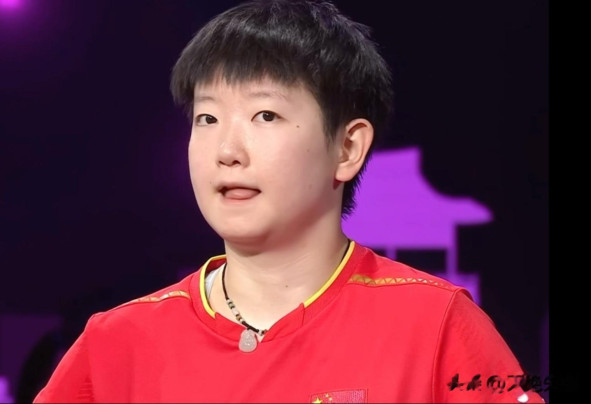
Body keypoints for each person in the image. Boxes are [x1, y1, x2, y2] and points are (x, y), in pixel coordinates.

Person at [34, 0, 545, 402]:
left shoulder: (436, 324)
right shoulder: (117, 341)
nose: (227, 151)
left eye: (266, 116)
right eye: (207, 119)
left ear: (347, 148)